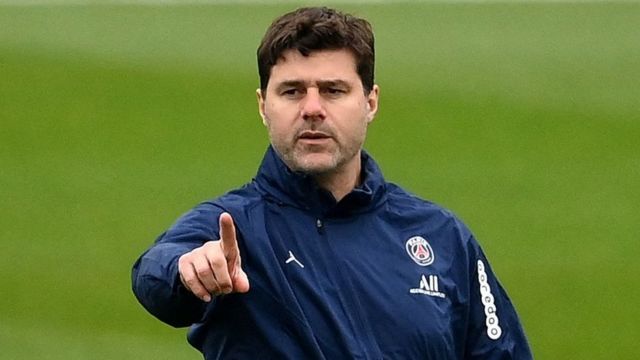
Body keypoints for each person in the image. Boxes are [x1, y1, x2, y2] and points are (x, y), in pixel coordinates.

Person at [132, 6, 533, 359]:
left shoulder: (441, 236)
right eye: (291, 92)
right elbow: (154, 273)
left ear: (370, 102)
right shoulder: (233, 230)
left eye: (333, 90)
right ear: (263, 106)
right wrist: (188, 273)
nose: (311, 109)